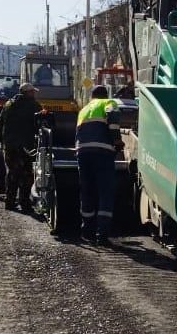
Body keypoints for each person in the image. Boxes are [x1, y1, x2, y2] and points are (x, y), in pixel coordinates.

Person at [75, 85, 120, 244]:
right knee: (105, 191)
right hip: (102, 152)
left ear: (92, 96)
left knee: (87, 191)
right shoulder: (108, 102)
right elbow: (113, 120)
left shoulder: (83, 110)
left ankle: (87, 231)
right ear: (104, 95)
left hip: (83, 153)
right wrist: (117, 140)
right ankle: (102, 234)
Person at [0, 82, 42, 211]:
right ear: (28, 92)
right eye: (33, 92)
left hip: (9, 145)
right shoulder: (33, 105)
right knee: (27, 174)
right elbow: (39, 124)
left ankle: (9, 201)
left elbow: (0, 124)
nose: (34, 94)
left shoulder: (8, 104)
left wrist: (1, 142)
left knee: (12, 173)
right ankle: (24, 202)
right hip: (25, 146)